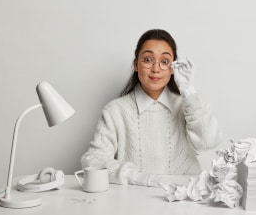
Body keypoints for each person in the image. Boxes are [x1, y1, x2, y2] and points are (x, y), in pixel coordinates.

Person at [81, 29, 221, 187]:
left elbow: (208, 142)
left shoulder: (187, 105)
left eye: (165, 61)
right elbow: (93, 160)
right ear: (136, 64)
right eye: (148, 59)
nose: (156, 68)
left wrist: (189, 92)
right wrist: (141, 178)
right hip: (134, 200)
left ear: (173, 67)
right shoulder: (115, 111)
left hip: (185, 197)